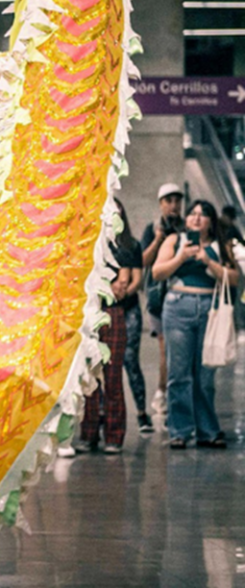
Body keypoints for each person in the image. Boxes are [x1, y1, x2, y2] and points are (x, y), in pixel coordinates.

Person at [152, 199, 238, 449]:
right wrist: (181, 257)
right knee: (178, 373)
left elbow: (233, 278)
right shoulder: (174, 241)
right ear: (186, 219)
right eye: (192, 214)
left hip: (209, 310)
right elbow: (157, 272)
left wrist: (208, 261)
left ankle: (207, 430)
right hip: (178, 305)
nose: (196, 218)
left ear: (211, 222)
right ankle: (179, 430)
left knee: (205, 375)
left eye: (203, 215)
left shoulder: (220, 246)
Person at [79, 198, 142, 455]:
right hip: (90, 312)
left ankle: (114, 435)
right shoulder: (87, 243)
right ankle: (89, 433)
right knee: (90, 377)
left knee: (113, 376)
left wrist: (117, 288)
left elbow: (126, 284)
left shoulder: (126, 246)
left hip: (114, 311)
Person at [140, 183, 184, 418]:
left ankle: (173, 394)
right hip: (158, 299)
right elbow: (143, 261)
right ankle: (162, 392)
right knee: (165, 348)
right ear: (160, 204)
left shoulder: (189, 227)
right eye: (168, 200)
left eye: (177, 200)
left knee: (181, 351)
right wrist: (158, 240)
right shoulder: (152, 228)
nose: (173, 205)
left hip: (183, 297)